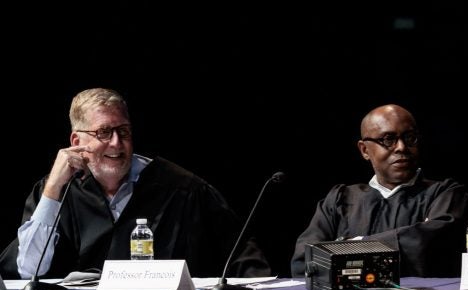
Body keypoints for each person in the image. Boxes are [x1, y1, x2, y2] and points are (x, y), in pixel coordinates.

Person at [0, 88, 271, 279]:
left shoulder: (182, 189)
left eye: (124, 131)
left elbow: (244, 260)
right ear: (76, 142)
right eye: (104, 132)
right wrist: (53, 190)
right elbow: (28, 271)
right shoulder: (58, 191)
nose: (117, 143)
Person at [290, 104, 468, 277]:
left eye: (410, 137)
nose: (401, 147)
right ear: (364, 150)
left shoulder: (444, 194)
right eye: (388, 140)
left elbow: (432, 245)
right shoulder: (341, 199)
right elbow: (306, 258)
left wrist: (355, 246)